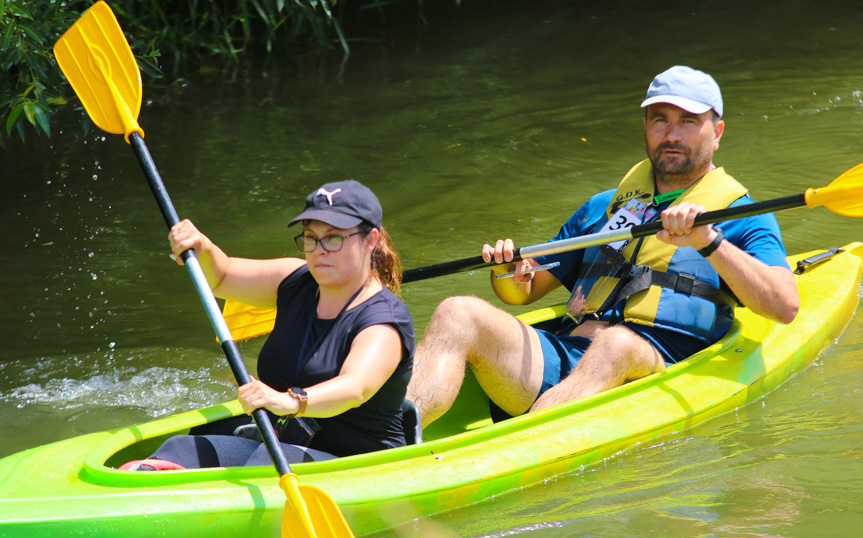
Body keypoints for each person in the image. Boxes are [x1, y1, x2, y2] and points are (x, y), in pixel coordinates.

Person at [407, 65, 799, 427]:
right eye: (659, 119)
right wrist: (504, 269)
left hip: (653, 366)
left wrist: (708, 241)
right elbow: (523, 291)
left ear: (716, 132)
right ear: (646, 126)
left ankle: (521, 442)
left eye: (688, 121)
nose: (672, 134)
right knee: (457, 311)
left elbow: (784, 305)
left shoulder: (742, 214)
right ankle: (389, 434)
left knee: (615, 344)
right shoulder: (605, 206)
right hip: (569, 356)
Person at [123, 180, 415, 470]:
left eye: (334, 238)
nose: (318, 250)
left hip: (357, 462)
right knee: (181, 447)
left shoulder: (383, 320)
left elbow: (355, 387)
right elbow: (222, 276)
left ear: (370, 240)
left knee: (265, 465)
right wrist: (201, 248)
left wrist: (288, 401)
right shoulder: (294, 279)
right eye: (310, 238)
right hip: (281, 444)